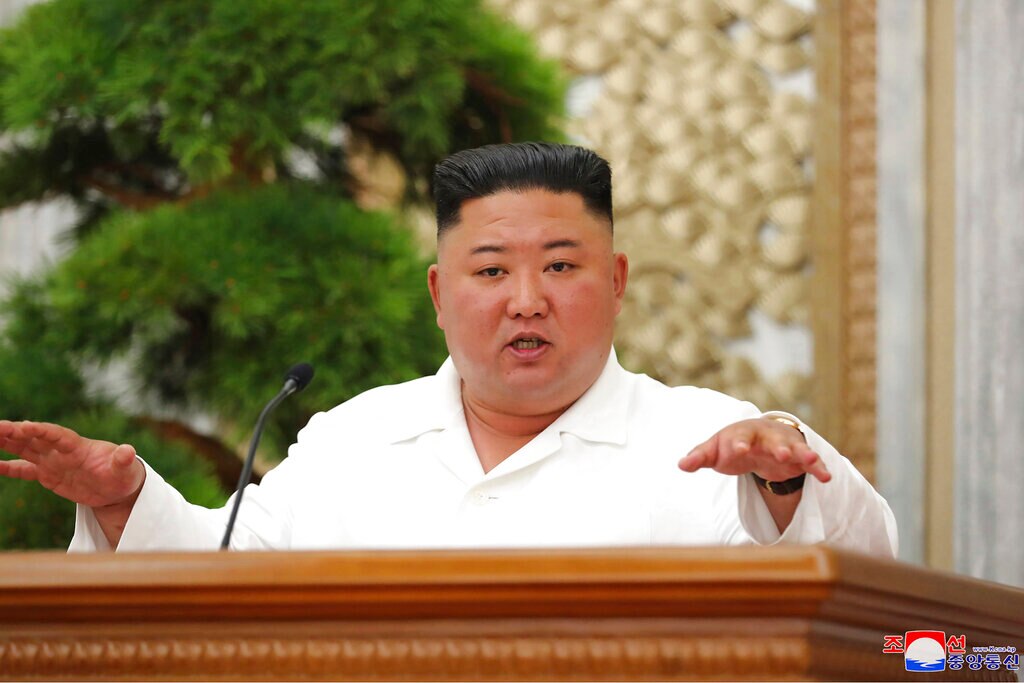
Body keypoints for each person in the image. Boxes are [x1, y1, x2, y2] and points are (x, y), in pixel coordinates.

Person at [0, 142, 898, 556]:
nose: (527, 300)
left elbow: (871, 597)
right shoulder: (350, 439)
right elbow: (220, 578)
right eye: (491, 270)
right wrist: (126, 502)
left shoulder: (713, 442)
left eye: (560, 264)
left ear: (617, 279)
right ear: (439, 294)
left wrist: (788, 472)